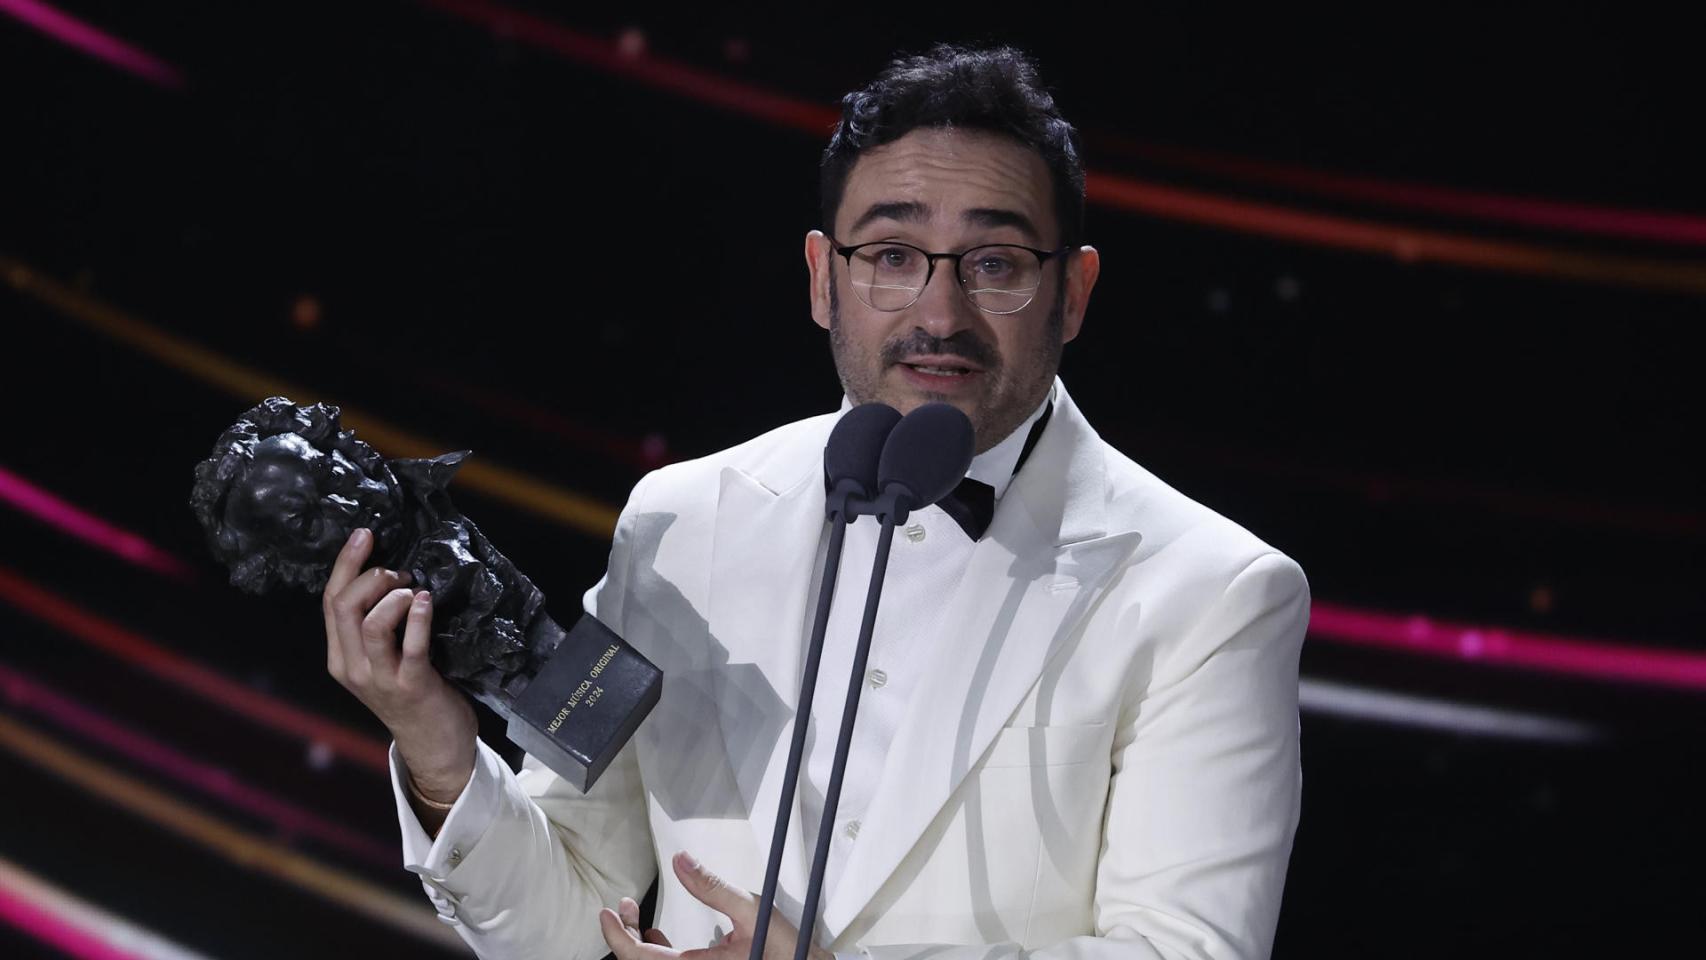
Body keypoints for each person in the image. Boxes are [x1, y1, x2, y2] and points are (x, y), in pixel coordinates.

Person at [322, 43, 1310, 960]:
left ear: (1074, 293)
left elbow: (1185, 950)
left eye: (995, 265)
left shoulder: (1212, 593)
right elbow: (572, 918)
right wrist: (441, 757)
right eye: (891, 257)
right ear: (821, 279)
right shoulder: (677, 524)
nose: (938, 313)